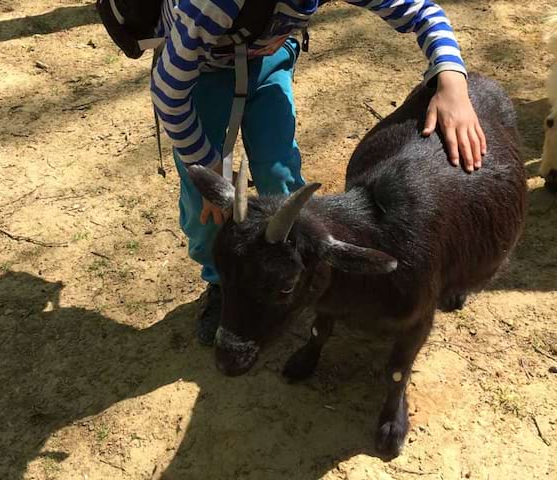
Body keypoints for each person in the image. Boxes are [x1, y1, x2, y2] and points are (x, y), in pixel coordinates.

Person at [150, 0, 487, 345]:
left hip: (266, 59)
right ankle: (223, 283)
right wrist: (208, 163)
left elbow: (422, 12)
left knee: (278, 173)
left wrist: (452, 83)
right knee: (207, 200)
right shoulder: (211, 4)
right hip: (199, 74)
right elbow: (168, 91)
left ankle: (292, 276)